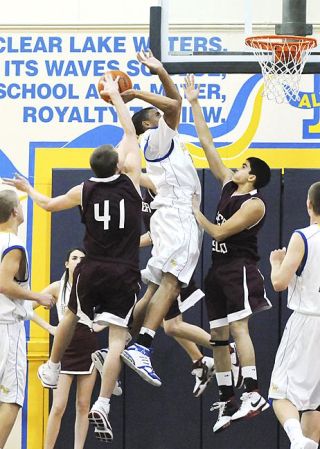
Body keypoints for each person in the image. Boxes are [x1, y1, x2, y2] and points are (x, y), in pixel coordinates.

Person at [3, 74, 142, 443]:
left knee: (69, 314)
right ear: (119, 165)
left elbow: (47, 205)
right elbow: (130, 133)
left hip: (92, 267)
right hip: (125, 270)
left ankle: (51, 365)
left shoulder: (84, 189)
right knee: (116, 341)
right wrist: (116, 98)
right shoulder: (132, 181)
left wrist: (28, 188)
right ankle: (105, 403)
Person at [184, 74, 272, 433]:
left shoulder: (255, 204)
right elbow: (208, 145)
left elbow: (219, 230)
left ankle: (252, 392)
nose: (238, 168)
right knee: (218, 335)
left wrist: (196, 212)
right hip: (218, 269)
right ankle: (227, 399)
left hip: (239, 268)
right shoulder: (227, 186)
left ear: (251, 178)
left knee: (238, 328)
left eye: (244, 167)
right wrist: (194, 102)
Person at [119, 50, 204, 388]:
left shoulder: (156, 141)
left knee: (154, 288)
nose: (164, 114)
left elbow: (171, 102)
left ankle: (123, 344)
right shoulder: (156, 139)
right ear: (148, 123)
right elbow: (175, 103)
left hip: (168, 216)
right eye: (156, 114)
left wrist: (158, 73)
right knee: (170, 283)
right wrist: (146, 85)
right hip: (178, 216)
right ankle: (143, 346)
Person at [0, 189, 54, 448]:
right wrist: (38, 297)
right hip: (7, 329)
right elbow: (4, 284)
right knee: (12, 399)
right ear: (15, 212)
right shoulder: (13, 244)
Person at [269, 181, 320, 449]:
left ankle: (297, 439)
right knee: (315, 403)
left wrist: (276, 262)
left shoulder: (303, 236)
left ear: (309, 205)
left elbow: (279, 282)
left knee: (280, 393)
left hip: (308, 321)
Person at [34, 247, 101, 449]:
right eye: (74, 257)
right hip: (64, 349)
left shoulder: (93, 286)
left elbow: (113, 310)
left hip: (88, 347)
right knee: (58, 406)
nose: (78, 261)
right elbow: (27, 307)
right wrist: (49, 328)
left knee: (83, 405)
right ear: (66, 263)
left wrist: (99, 325)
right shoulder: (57, 286)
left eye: (82, 258)